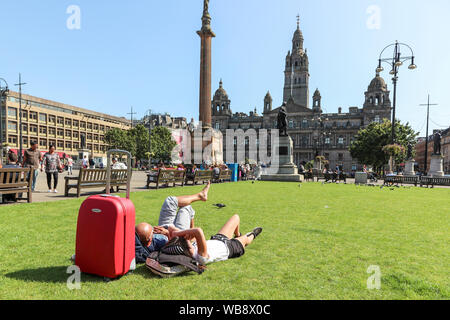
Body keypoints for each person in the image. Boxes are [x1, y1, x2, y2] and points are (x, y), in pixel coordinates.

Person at [169, 215, 262, 266]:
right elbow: (198, 231)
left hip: (219, 239)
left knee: (236, 217)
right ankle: (253, 234)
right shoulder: (201, 257)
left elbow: (171, 229)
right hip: (231, 248)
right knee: (247, 239)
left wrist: (168, 232)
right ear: (187, 247)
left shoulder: (192, 247)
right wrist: (177, 233)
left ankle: (238, 235)